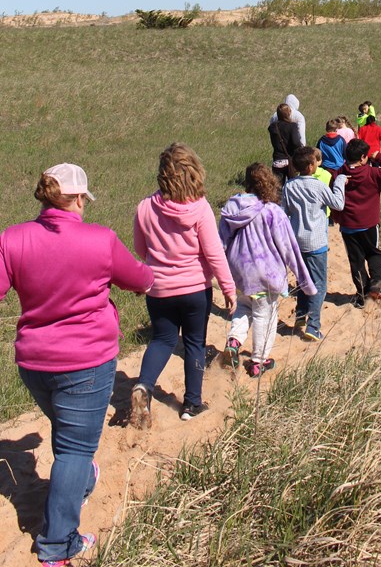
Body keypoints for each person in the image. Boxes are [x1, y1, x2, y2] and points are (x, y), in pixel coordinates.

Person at [0, 163, 153, 566]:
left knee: (69, 435)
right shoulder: (99, 240)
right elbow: (139, 279)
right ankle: (58, 544)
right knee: (73, 448)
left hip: (33, 362)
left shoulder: (12, 238)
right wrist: (152, 276)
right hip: (86, 361)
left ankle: (81, 478)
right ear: (79, 198)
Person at [131, 143, 237, 427]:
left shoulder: (144, 208)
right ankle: (191, 402)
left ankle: (144, 386)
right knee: (194, 343)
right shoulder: (200, 209)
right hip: (194, 290)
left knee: (162, 340)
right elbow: (214, 253)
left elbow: (141, 250)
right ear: (194, 173)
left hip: (159, 289)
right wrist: (228, 288)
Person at [219, 163, 316, 377]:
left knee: (243, 307)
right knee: (266, 314)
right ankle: (259, 361)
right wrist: (304, 281)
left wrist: (218, 273)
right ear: (270, 182)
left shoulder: (232, 209)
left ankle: (234, 342)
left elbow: (220, 243)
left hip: (239, 272)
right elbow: (289, 248)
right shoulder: (272, 211)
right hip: (266, 273)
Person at [282, 147, 347, 341]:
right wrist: (341, 182)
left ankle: (301, 315)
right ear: (311, 166)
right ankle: (313, 325)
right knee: (318, 283)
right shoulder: (318, 186)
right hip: (316, 241)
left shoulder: (289, 186)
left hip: (296, 241)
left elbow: (283, 212)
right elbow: (338, 204)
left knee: (303, 280)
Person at [334, 140, 381, 308]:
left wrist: (337, 217)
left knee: (356, 261)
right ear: (363, 157)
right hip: (369, 224)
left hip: (348, 226)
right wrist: (380, 157)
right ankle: (377, 284)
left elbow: (334, 198)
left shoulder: (339, 175)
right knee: (373, 254)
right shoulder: (372, 173)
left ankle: (362, 295)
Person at [268, 102, 303, 185]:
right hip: (289, 160)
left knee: (278, 187)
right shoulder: (292, 126)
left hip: (277, 160)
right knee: (292, 186)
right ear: (288, 113)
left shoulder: (272, 127)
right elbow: (296, 143)